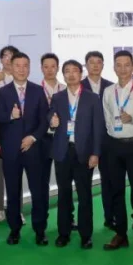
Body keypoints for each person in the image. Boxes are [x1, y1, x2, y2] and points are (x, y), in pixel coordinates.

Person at [0, 51, 49, 246]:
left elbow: (44, 120)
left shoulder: (38, 90)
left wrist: (33, 137)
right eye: (17, 65)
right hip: (11, 151)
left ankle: (40, 230)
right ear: (11, 67)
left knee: (38, 192)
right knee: (13, 192)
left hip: (33, 149)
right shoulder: (2, 92)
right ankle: (14, 229)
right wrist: (11, 116)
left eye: (25, 66)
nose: (21, 69)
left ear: (29, 67)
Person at [49, 59, 103, 249]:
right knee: (63, 194)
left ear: (81, 74)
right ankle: (63, 233)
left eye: (74, 71)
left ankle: (86, 235)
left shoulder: (92, 98)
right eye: (67, 71)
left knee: (85, 194)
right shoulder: (57, 97)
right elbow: (50, 117)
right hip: (63, 152)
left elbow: (98, 128)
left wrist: (96, 153)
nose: (71, 74)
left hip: (84, 153)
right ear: (63, 75)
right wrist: (52, 121)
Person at [102, 51, 133, 256]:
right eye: (118, 65)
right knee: (116, 191)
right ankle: (120, 234)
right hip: (113, 146)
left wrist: (132, 118)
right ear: (114, 67)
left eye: (126, 65)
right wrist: (113, 132)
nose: (122, 69)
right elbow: (106, 116)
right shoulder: (108, 91)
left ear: (132, 68)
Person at [81, 50, 115, 227]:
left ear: (103, 65)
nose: (95, 65)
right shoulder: (78, 86)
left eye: (98, 62)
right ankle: (85, 223)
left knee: (108, 181)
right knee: (83, 184)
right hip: (85, 143)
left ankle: (110, 218)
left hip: (107, 141)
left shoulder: (111, 87)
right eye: (91, 62)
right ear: (86, 65)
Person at [0, 45, 19, 225]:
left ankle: (16, 210)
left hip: (15, 133)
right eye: (5, 56)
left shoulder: (20, 79)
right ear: (1, 59)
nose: (8, 59)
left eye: (11, 56)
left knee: (15, 174)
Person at [39, 53, 65, 220]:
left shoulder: (65, 89)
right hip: (42, 140)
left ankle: (67, 217)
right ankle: (42, 216)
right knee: (42, 181)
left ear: (57, 68)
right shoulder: (36, 90)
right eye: (46, 67)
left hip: (62, 139)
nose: (49, 70)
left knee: (64, 181)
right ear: (41, 68)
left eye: (53, 66)